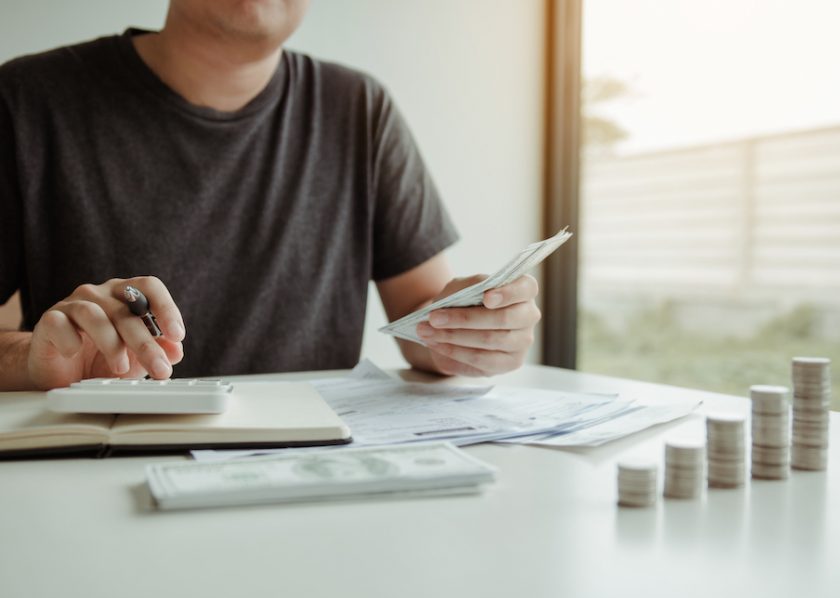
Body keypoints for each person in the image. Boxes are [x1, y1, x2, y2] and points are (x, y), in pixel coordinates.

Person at [0, 0, 541, 391]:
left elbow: (422, 320)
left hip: (308, 476)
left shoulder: (358, 109)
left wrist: (475, 334)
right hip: (99, 474)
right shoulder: (24, 101)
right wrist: (36, 360)